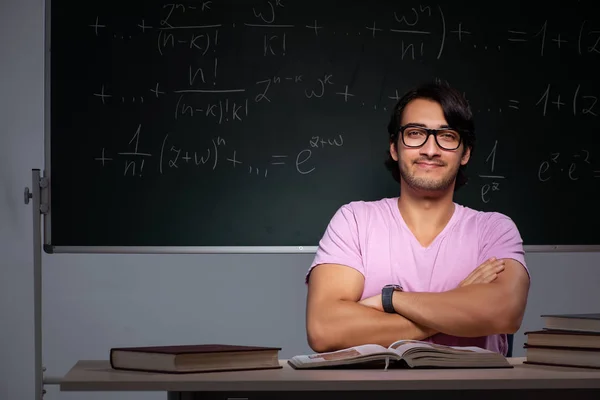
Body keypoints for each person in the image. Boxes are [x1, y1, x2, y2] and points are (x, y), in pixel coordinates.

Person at [304, 81, 531, 356]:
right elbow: (324, 329)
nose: (430, 150)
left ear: (466, 152)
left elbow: (504, 313)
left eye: (447, 136)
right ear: (394, 147)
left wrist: (390, 300)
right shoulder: (354, 221)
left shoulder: (494, 230)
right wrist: (455, 306)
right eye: (415, 133)